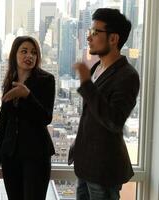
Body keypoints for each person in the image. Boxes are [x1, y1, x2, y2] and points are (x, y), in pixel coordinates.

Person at [68, 8, 140, 200]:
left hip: (104, 169)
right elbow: (91, 115)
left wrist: (86, 84)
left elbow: (114, 120)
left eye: (94, 32)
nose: (89, 38)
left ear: (113, 39)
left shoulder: (128, 76)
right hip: (86, 166)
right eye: (88, 33)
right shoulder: (97, 67)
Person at [0, 36, 56, 200]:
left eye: (34, 52)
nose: (30, 56)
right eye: (24, 51)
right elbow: (4, 123)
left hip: (36, 155)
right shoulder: (9, 82)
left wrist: (27, 95)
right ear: (14, 55)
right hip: (11, 156)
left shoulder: (46, 80)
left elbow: (46, 117)